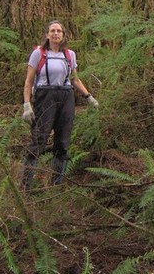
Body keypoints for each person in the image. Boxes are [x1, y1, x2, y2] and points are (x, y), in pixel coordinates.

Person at [21, 20, 98, 190]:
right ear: (47, 35)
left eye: (59, 31)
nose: (55, 34)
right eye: (52, 31)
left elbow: (75, 79)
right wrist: (27, 104)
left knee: (63, 141)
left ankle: (57, 184)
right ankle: (25, 185)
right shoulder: (38, 54)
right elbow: (29, 81)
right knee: (39, 139)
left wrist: (88, 97)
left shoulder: (69, 55)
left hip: (66, 97)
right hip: (45, 96)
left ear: (63, 35)